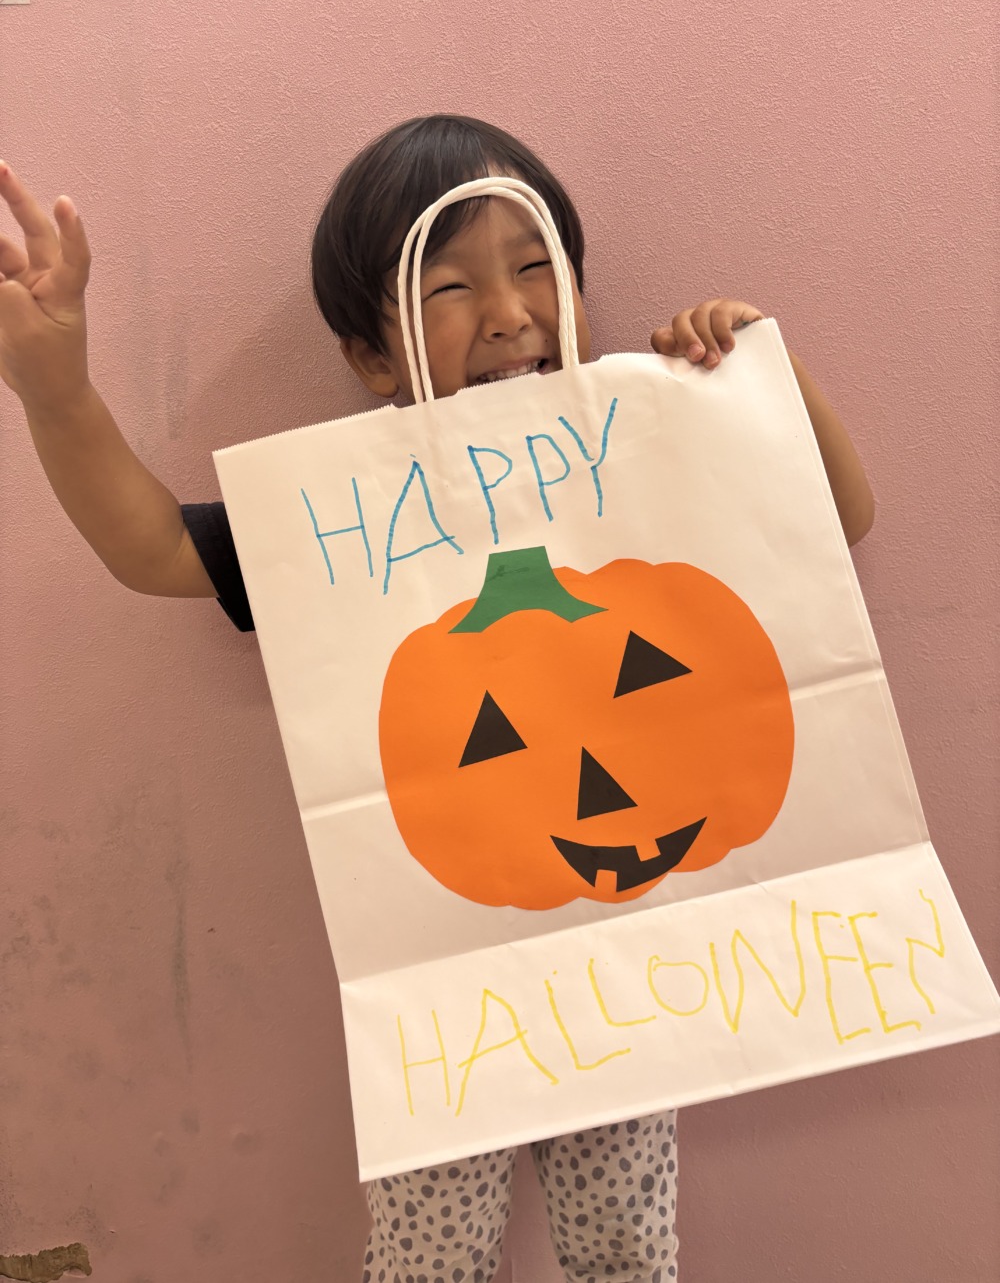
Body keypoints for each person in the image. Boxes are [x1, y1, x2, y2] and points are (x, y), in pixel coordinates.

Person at [0, 115, 874, 1283]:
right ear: (373, 357)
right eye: (449, 286)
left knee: (627, 1250)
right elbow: (153, 548)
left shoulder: (657, 442)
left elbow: (841, 518)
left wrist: (766, 371)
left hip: (637, 959)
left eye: (534, 266)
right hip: (443, 985)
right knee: (427, 1262)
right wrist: (53, 387)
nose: (508, 312)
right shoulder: (345, 511)